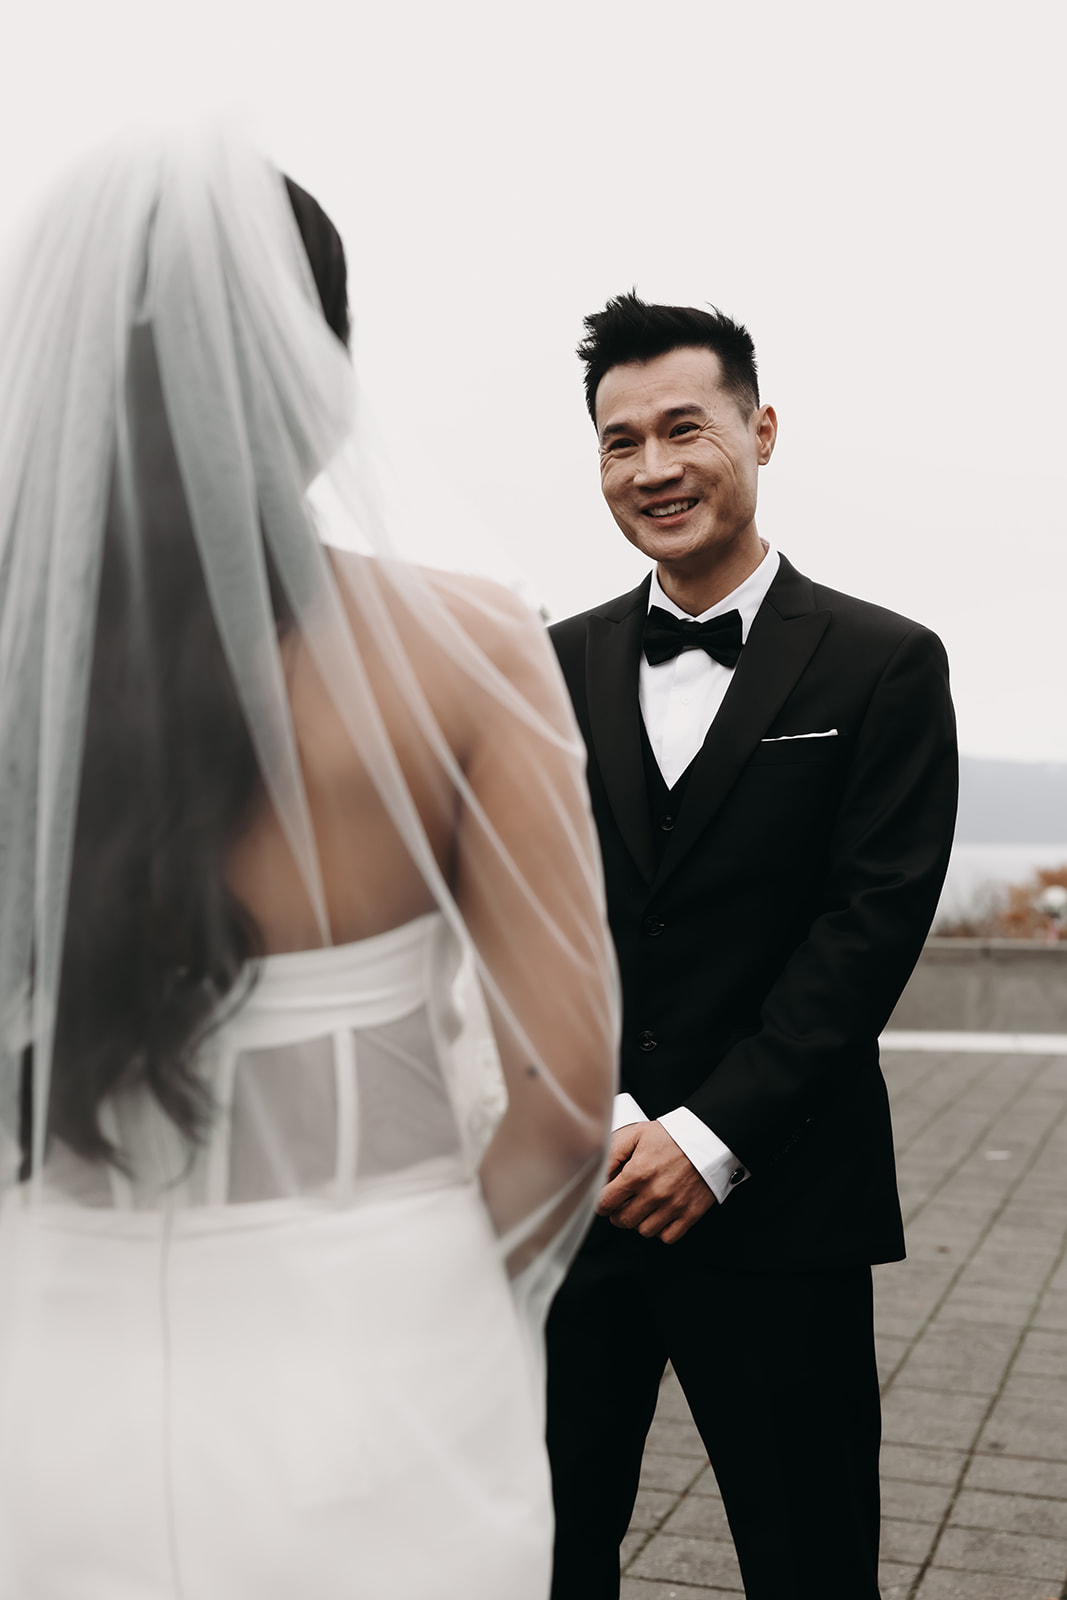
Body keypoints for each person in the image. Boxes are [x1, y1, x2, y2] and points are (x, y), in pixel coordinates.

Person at [0, 127, 617, 1599]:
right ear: (319, 375)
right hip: (380, 1350)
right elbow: (567, 1095)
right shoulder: (471, 649)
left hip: (39, 1352)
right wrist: (460, 1299)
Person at [544, 294, 958, 1600]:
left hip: (783, 1204)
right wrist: (612, 1122)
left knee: (810, 1564)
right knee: (548, 1555)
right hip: (578, 1197)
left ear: (759, 429)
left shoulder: (884, 664)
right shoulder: (547, 664)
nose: (652, 468)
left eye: (683, 428)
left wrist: (708, 1143)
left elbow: (867, 930)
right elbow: (529, 917)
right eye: (620, 442)